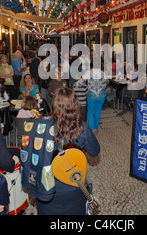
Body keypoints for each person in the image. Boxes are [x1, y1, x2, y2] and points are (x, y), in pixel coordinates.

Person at [36, 87, 100, 215]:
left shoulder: (41, 126)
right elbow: (95, 151)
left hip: (46, 188)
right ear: (76, 105)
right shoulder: (82, 128)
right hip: (74, 187)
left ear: (54, 105)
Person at [86, 64, 109, 134]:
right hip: (101, 95)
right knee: (98, 111)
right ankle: (96, 127)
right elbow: (107, 81)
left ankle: (92, 129)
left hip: (91, 95)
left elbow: (81, 82)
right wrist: (103, 86)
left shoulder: (88, 73)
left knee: (90, 112)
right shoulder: (103, 73)